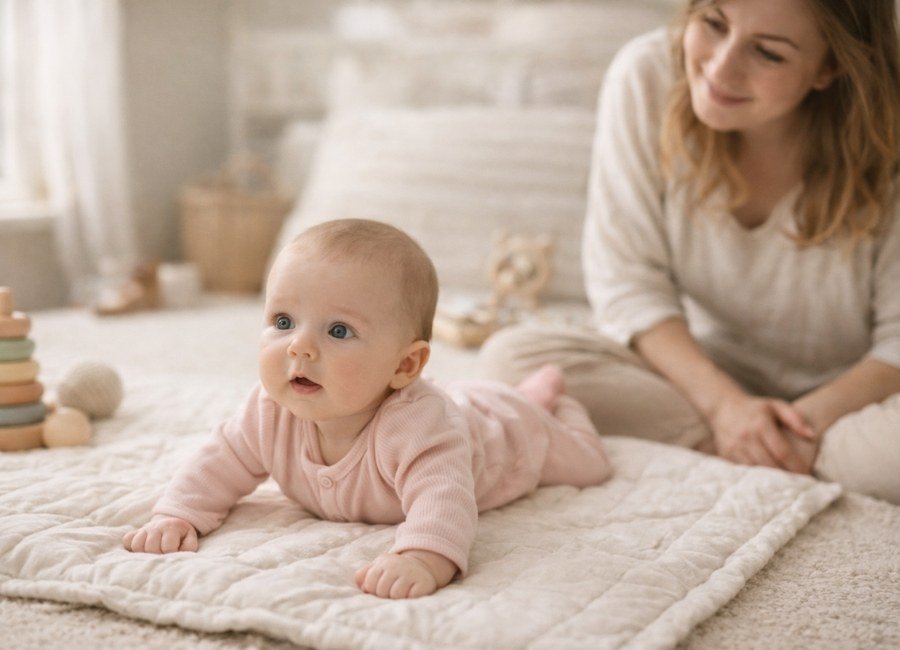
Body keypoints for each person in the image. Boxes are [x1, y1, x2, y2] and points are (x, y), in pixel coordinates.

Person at [478, 0, 900, 503]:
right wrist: (727, 409)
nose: (721, 67)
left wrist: (800, 424)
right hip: (703, 377)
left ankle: (765, 453)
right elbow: (629, 284)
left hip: (859, 397)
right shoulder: (648, 76)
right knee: (515, 358)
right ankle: (766, 453)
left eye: (768, 53)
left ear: (830, 66)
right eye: (714, 23)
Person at [123, 218, 611, 599]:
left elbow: (443, 500)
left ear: (405, 365)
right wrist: (179, 515)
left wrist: (421, 557)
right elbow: (218, 463)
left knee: (590, 465)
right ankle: (534, 390)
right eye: (284, 320)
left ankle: (555, 404)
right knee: (479, 398)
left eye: (338, 331)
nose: (300, 348)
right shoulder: (269, 410)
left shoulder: (419, 427)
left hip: (508, 433)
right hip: (462, 402)